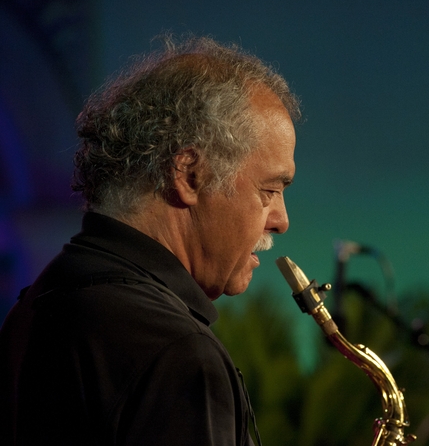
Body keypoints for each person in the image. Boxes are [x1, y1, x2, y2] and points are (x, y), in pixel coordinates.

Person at [0, 35, 300, 446]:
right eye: (269, 190)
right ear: (189, 175)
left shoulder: (34, 307)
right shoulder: (179, 352)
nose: (281, 221)